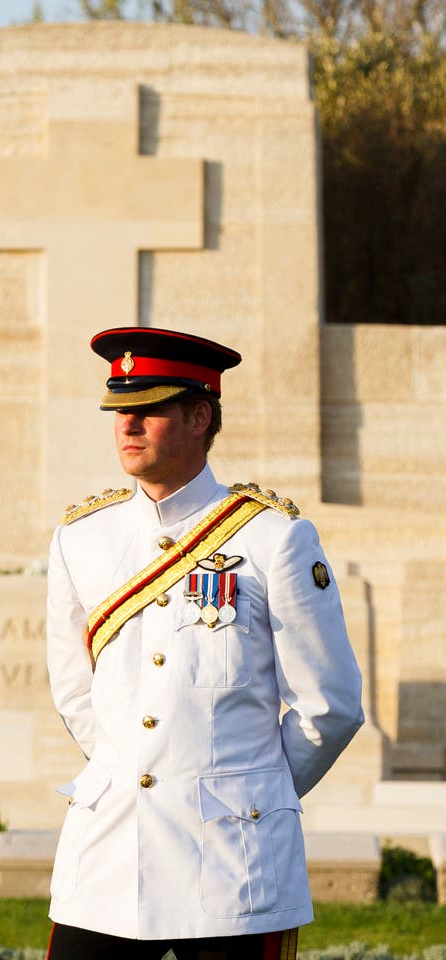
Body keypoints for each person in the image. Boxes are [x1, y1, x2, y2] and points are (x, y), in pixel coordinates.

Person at [46, 326, 364, 960]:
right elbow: (75, 690)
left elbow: (330, 706)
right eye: (118, 411)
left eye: (148, 409)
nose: (127, 426)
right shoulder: (80, 538)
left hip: (230, 862)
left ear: (200, 416)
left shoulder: (276, 539)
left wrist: (245, 794)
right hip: (108, 855)